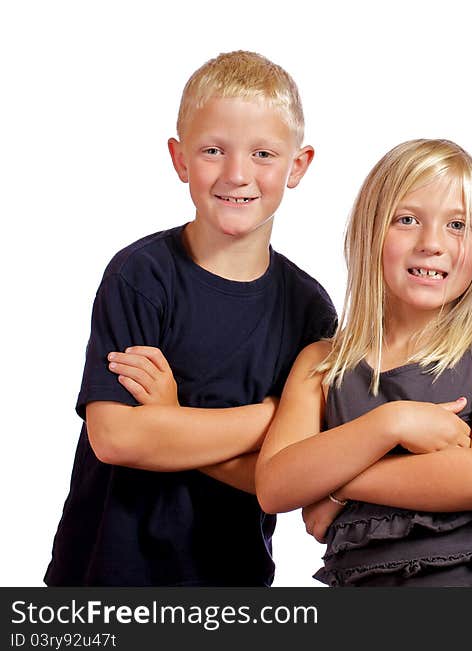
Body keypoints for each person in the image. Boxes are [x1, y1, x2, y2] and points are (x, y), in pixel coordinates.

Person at [44, 51, 337, 586]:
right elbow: (117, 438)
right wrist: (268, 419)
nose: (237, 174)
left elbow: (282, 479)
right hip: (103, 577)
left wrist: (171, 418)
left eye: (264, 153)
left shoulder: (309, 312)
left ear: (298, 165)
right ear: (180, 159)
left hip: (229, 580)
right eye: (213, 151)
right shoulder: (141, 276)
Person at [255, 138, 472, 586]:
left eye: (458, 225)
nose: (432, 243)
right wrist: (392, 423)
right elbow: (274, 485)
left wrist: (339, 485)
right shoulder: (321, 364)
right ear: (369, 232)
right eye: (407, 220)